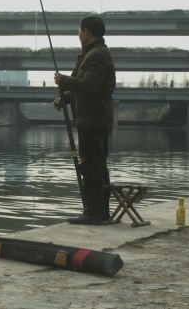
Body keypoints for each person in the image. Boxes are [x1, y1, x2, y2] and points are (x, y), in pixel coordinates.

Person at [53, 16, 116, 225]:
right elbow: (86, 89)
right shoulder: (92, 54)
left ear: (87, 33)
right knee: (93, 165)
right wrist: (67, 98)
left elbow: (90, 86)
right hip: (90, 118)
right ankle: (97, 211)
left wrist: (64, 81)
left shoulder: (97, 55)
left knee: (93, 167)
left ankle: (95, 213)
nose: (78, 35)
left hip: (94, 121)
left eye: (79, 31)